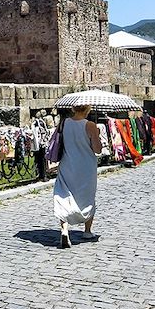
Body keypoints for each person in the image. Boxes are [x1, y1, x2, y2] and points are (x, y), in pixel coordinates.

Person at [53, 104, 102, 248]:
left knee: (63, 195)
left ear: (73, 108)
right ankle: (87, 230)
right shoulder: (90, 125)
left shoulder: (64, 123)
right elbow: (97, 150)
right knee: (87, 197)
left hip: (67, 164)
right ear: (88, 109)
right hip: (86, 167)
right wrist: (96, 135)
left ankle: (64, 229)